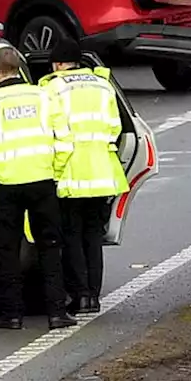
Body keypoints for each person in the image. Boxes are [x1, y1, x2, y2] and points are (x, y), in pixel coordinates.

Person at [0, 46, 77, 331]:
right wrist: (53, 171)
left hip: (6, 185)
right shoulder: (43, 96)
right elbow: (65, 140)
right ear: (20, 68)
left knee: (8, 250)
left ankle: (12, 315)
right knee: (50, 248)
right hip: (42, 183)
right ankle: (56, 313)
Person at [39, 37, 129, 317]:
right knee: (93, 235)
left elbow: (49, 131)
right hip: (103, 172)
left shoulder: (52, 88)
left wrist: (53, 170)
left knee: (72, 237)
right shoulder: (103, 84)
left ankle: (79, 296)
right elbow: (116, 127)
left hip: (71, 173)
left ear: (58, 63)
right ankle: (93, 296)